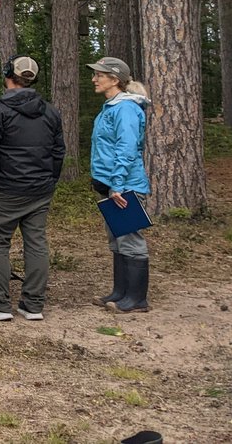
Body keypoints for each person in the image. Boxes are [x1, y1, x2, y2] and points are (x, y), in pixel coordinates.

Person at [0, 56, 65, 322]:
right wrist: (50, 180)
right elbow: (58, 151)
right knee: (36, 243)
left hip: (6, 188)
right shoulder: (50, 111)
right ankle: (33, 305)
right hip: (39, 189)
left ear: (8, 74)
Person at [87, 56, 152, 313]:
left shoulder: (125, 109)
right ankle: (120, 292)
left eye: (99, 75)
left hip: (124, 186)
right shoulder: (112, 107)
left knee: (130, 239)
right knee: (117, 240)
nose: (94, 79)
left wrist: (116, 185)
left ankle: (137, 299)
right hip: (111, 185)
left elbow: (126, 149)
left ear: (115, 80)